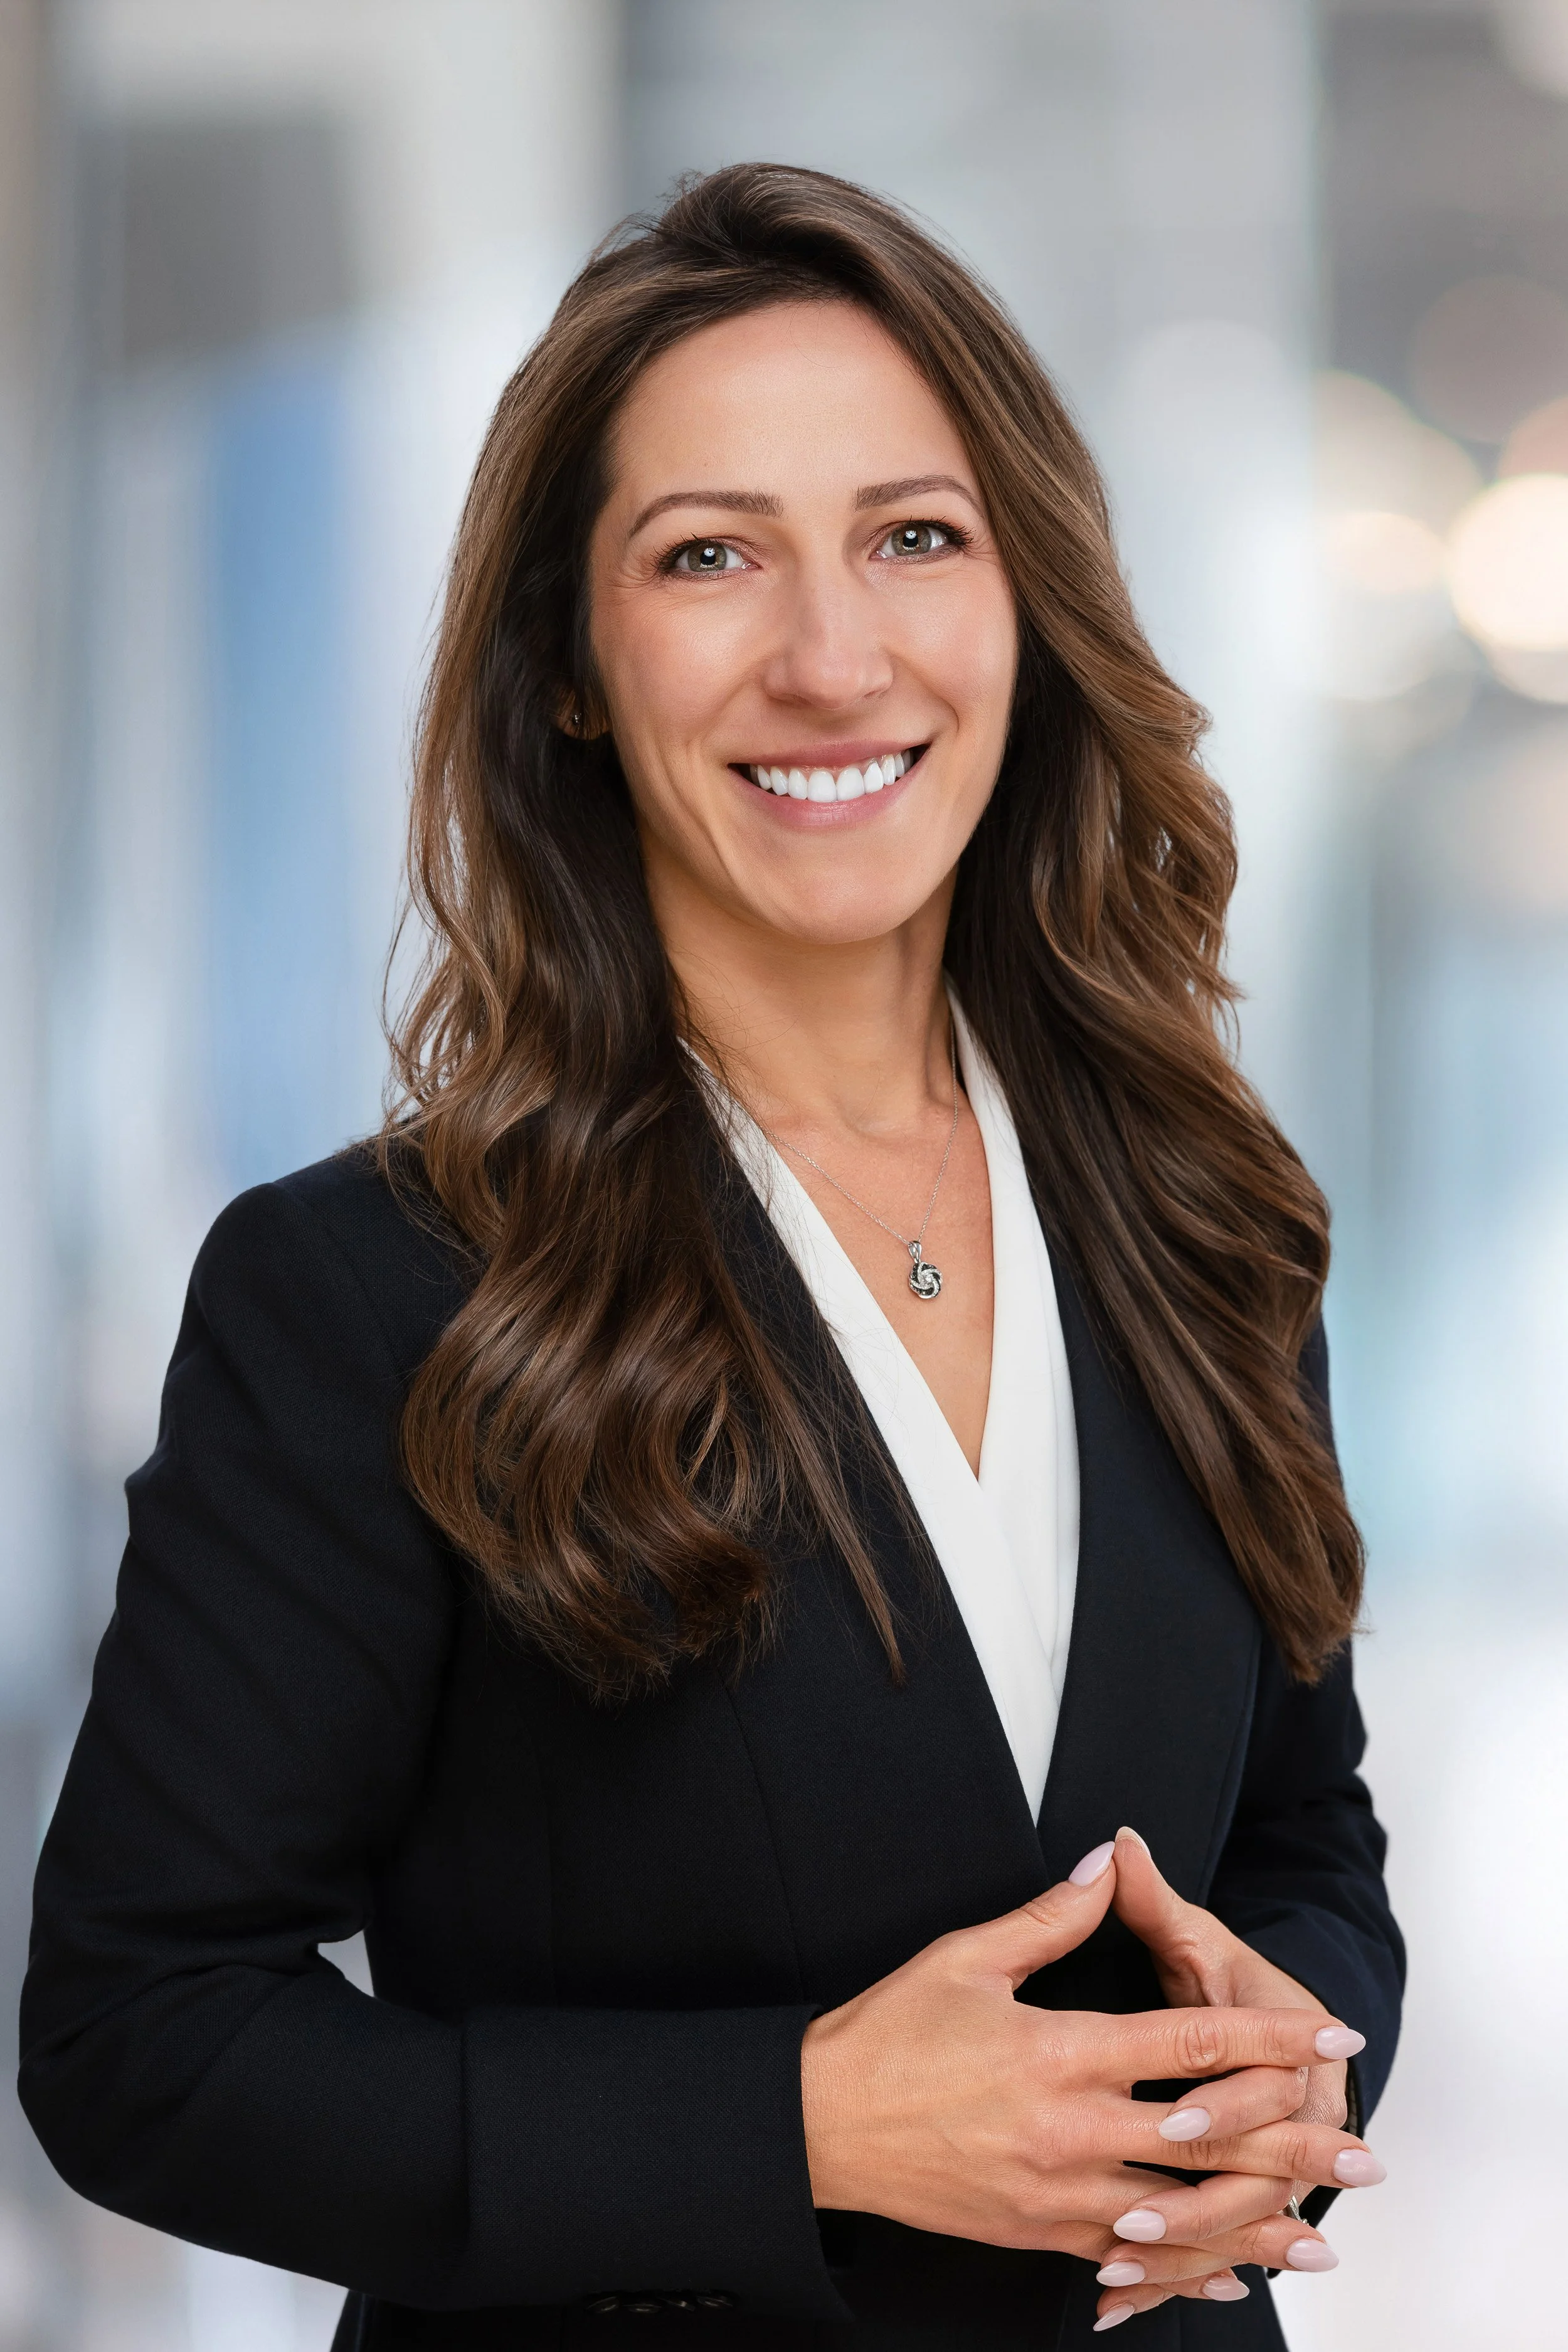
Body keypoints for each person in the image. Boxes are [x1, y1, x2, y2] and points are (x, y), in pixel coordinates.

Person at [18, 164, 1402, 2350]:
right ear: (574, 665)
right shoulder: (368, 1289)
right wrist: (794, 2127)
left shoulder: (1205, 1225)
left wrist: (1293, 2054)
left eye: (914, 536)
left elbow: (1307, 1835)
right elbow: (141, 2037)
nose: (831, 652)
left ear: (1026, 608)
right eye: (708, 554)